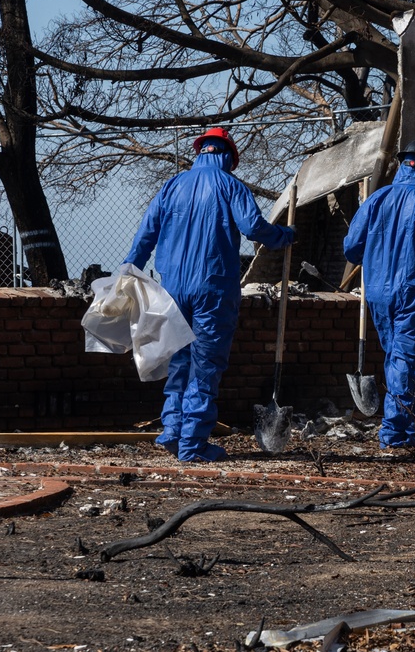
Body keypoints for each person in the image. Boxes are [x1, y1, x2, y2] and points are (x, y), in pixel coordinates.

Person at [123, 127, 296, 462]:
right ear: (229, 156)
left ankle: (173, 431)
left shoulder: (173, 186)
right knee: (205, 365)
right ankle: (193, 444)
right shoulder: (231, 185)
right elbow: (253, 228)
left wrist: (130, 270)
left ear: (201, 151)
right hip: (212, 288)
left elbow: (146, 233)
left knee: (178, 360)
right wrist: (284, 236)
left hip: (171, 288)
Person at [343, 139, 415, 448]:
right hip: (411, 294)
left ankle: (402, 431)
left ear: (402, 166)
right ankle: (394, 437)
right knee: (403, 364)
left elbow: (351, 248)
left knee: (395, 359)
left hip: (377, 294)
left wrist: (376, 251)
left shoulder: (376, 199)